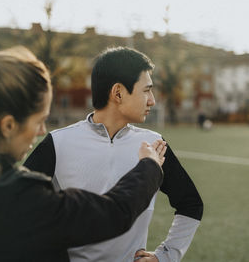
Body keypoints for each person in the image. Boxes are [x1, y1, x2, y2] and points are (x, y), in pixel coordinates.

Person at [0, 46, 168, 262]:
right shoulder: (18, 199)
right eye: (38, 120)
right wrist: (149, 166)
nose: (41, 131)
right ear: (8, 125)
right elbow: (111, 214)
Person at [25, 47, 204, 262]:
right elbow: (20, 211)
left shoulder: (154, 145)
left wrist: (165, 256)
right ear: (118, 93)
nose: (152, 101)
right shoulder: (57, 142)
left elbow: (190, 203)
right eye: (146, 90)